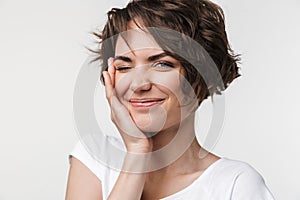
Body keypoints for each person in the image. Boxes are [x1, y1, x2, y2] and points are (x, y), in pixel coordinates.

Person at [66, 0, 275, 199]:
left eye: (162, 64)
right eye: (124, 67)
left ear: (203, 79)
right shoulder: (95, 158)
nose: (139, 85)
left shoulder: (235, 185)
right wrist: (137, 153)